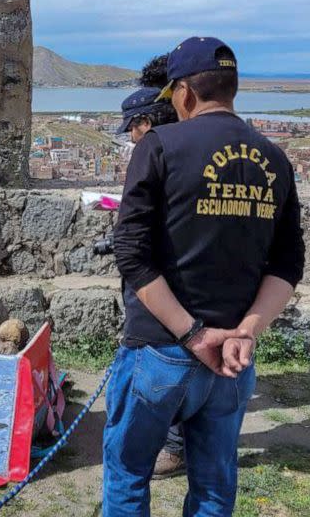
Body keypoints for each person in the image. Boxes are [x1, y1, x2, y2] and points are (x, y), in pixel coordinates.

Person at [103, 36, 304, 516]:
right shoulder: (274, 159)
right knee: (214, 485)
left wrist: (192, 333)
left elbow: (131, 252)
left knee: (129, 473)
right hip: (234, 358)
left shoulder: (159, 146)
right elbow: (287, 263)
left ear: (185, 93)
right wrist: (245, 332)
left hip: (160, 347)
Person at [117, 57, 186, 479]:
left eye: (132, 125)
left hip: (162, 274)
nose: (129, 135)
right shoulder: (182, 149)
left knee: (166, 353)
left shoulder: (160, 151)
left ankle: (172, 445)